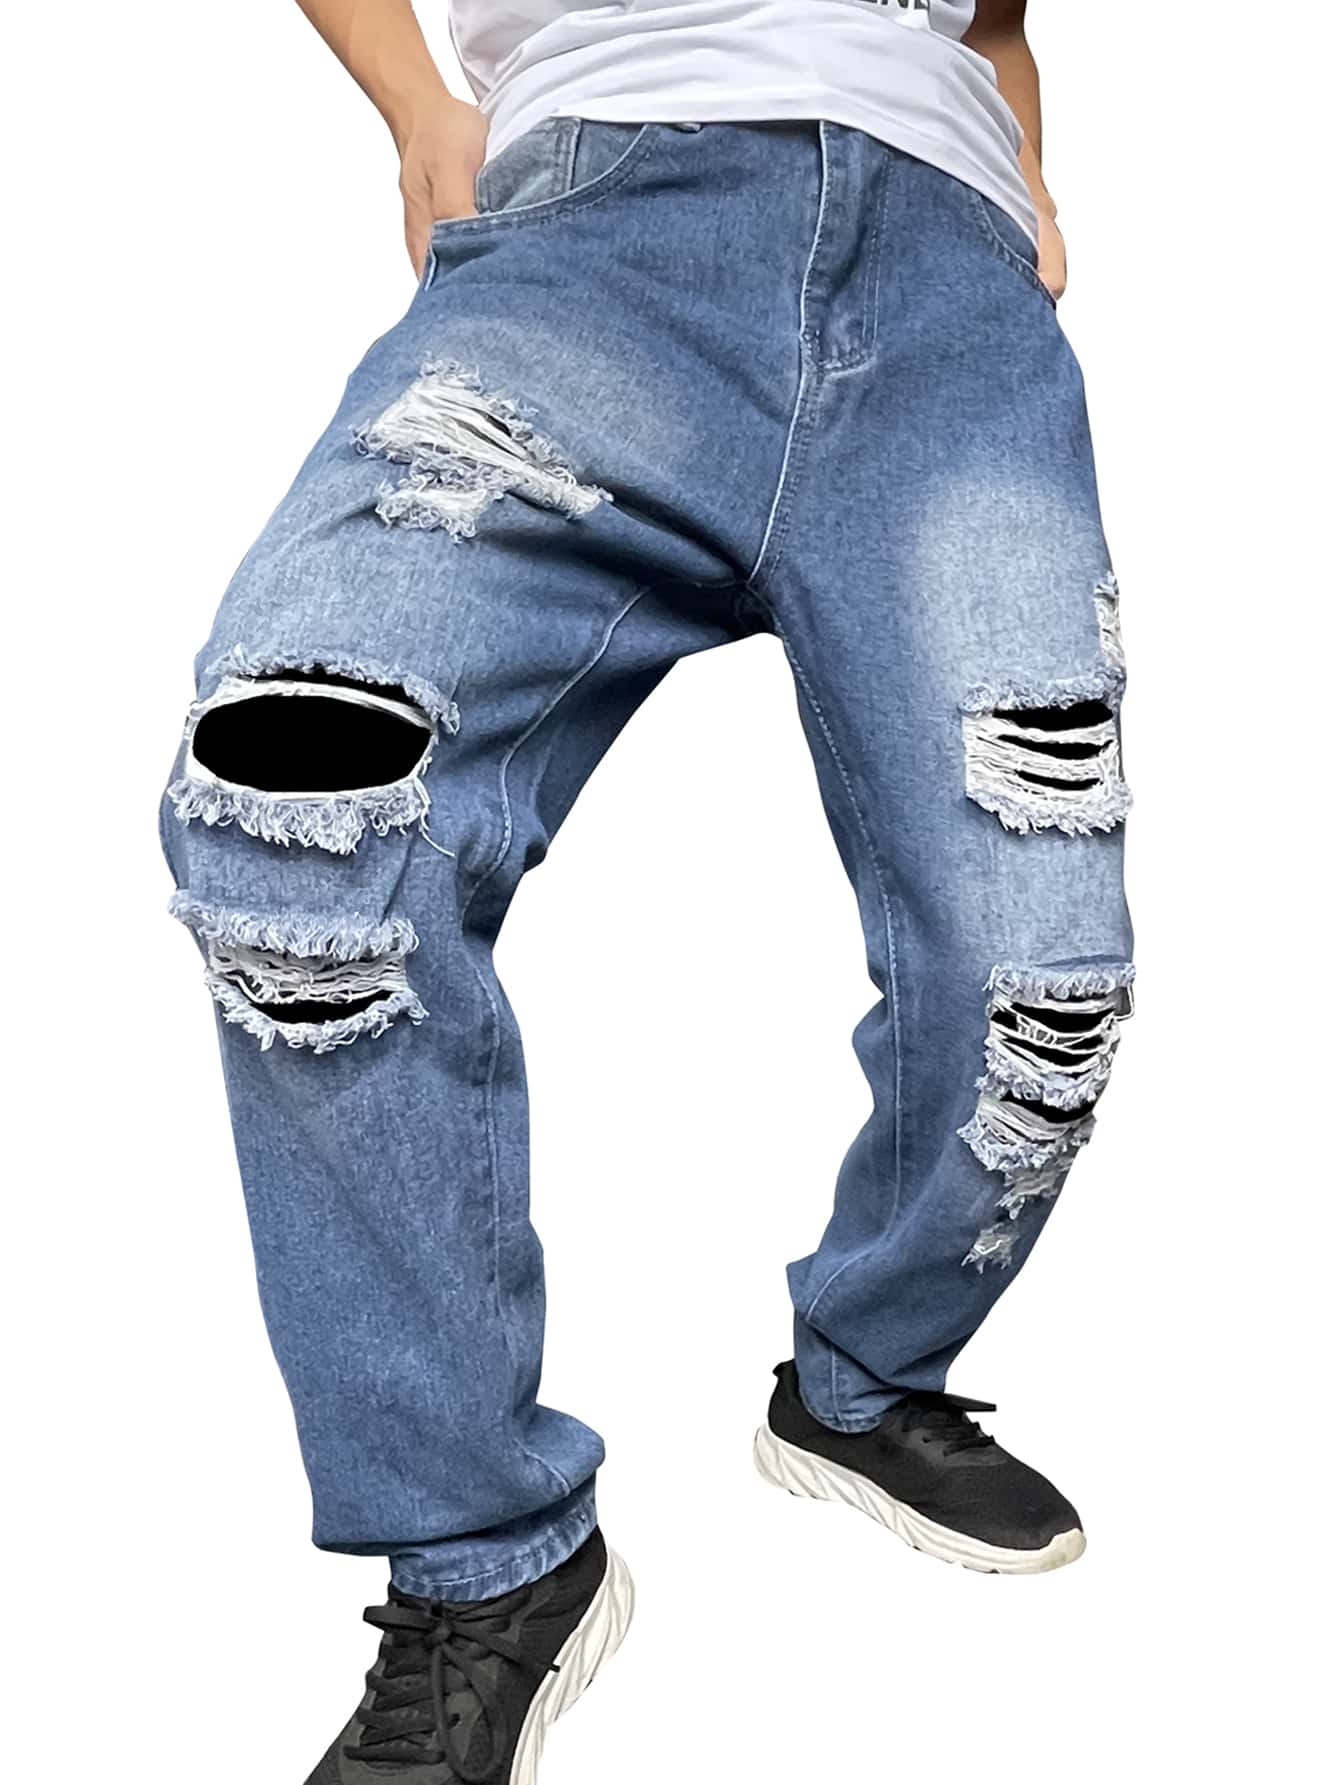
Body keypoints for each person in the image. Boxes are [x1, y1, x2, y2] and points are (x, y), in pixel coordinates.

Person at [160, 2, 1135, 1778]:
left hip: (948, 303)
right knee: (296, 795)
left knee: (1040, 989)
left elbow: (993, 23)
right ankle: (484, 1549)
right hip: (597, 242)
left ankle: (863, 1378)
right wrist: (412, 102)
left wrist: (1029, 182)